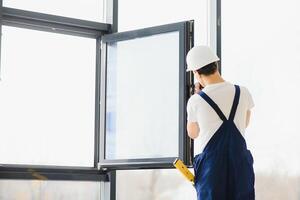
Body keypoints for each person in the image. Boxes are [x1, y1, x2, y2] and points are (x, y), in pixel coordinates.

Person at [186, 46, 255, 200]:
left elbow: (193, 133)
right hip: (240, 167)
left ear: (196, 72)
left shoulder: (196, 101)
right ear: (215, 64)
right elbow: (245, 123)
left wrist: (199, 98)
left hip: (212, 170)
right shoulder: (242, 92)